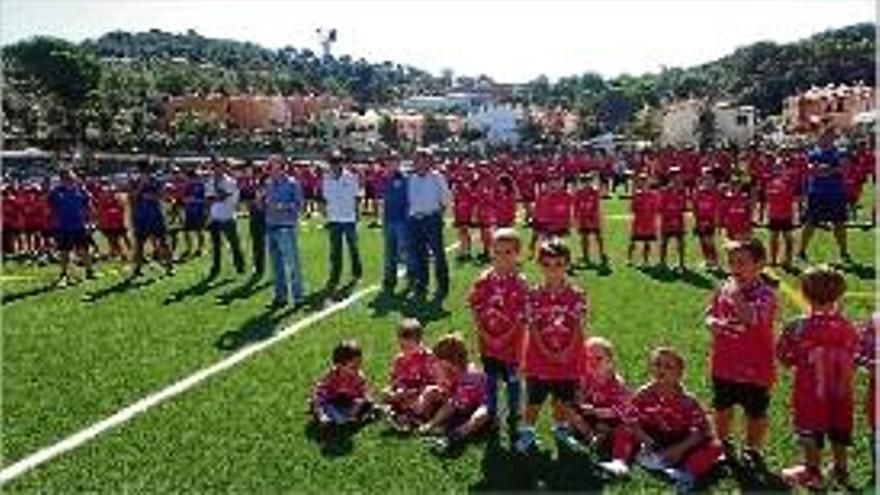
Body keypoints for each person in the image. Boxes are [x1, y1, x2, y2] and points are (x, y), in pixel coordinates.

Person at [777, 265, 860, 490]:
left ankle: (812, 471)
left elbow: (784, 358)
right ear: (839, 295)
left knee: (809, 430)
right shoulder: (847, 326)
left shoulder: (796, 326)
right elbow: (855, 355)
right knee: (839, 428)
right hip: (842, 393)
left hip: (810, 393)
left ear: (804, 293)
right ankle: (841, 468)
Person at [705, 238, 777, 474]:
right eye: (732, 262)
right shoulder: (724, 287)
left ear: (759, 264)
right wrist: (712, 323)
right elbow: (710, 312)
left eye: (742, 262)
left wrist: (736, 295)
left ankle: (752, 448)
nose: (735, 268)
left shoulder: (766, 294)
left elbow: (750, 319)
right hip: (724, 363)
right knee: (722, 406)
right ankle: (723, 442)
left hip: (755, 367)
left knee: (755, 412)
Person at [515, 239, 589, 454]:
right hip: (539, 357)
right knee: (534, 399)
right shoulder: (533, 294)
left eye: (558, 264)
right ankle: (528, 430)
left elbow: (577, 326)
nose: (553, 270)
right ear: (540, 265)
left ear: (567, 264)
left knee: (562, 398)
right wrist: (545, 350)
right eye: (547, 264)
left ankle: (560, 429)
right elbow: (533, 327)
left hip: (569, 356)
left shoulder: (577, 294)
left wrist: (566, 350)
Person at [627, 347, 725, 492]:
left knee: (716, 448)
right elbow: (630, 419)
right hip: (654, 437)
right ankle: (626, 459)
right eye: (657, 364)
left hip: (681, 439)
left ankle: (686, 473)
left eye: (668, 367)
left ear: (679, 373)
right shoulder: (643, 394)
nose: (661, 369)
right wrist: (646, 441)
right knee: (622, 431)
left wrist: (677, 450)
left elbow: (702, 431)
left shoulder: (687, 400)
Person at [468, 228, 529, 437]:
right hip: (487, 345)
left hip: (511, 348)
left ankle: (514, 417)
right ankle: (492, 415)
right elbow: (475, 308)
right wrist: (485, 334)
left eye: (508, 252)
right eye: (497, 251)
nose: (502, 257)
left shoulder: (521, 283)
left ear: (517, 254)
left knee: (513, 383)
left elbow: (522, 317)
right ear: (491, 251)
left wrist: (504, 336)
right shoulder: (483, 279)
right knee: (491, 382)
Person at [569, 337, 636, 477]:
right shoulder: (586, 378)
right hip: (592, 418)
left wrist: (596, 412)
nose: (592, 363)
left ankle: (619, 462)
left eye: (598, 359)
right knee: (569, 410)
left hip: (612, 419)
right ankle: (591, 438)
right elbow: (578, 394)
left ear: (610, 362)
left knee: (625, 429)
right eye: (587, 359)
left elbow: (622, 410)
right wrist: (580, 403)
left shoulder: (617, 384)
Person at [418, 333, 490, 455]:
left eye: (441, 362)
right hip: (465, 399)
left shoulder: (469, 377)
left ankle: (456, 434)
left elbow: (458, 405)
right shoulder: (454, 372)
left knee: (481, 415)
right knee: (437, 393)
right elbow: (451, 393)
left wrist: (438, 419)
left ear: (451, 363)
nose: (438, 365)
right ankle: (425, 420)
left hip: (486, 402)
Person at [798, 129, 851, 264]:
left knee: (839, 224)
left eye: (828, 136)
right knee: (810, 223)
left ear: (833, 138)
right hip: (816, 193)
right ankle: (801, 251)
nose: (825, 138)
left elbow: (844, 168)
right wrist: (832, 170)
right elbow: (811, 170)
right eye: (822, 136)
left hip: (836, 193)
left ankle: (844, 253)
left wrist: (824, 170)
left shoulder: (840, 152)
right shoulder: (813, 153)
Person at [407, 149, 451, 303]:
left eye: (422, 159)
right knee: (419, 255)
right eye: (416, 159)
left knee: (438, 254)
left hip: (431, 218)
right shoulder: (411, 178)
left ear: (428, 161)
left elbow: (446, 198)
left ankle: (442, 286)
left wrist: (438, 214)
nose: (418, 162)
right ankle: (421, 286)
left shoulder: (437, 177)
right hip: (415, 220)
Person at [310, 340, 374, 441]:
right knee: (318, 404)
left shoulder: (359, 376)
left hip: (348, 401)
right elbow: (318, 390)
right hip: (331, 401)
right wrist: (319, 409)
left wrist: (361, 402)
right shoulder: (332, 375)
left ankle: (351, 419)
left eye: (359, 364)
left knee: (366, 403)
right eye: (353, 367)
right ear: (339, 366)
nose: (357, 369)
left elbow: (365, 392)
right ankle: (327, 421)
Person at [380, 318, 435, 432]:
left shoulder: (427, 357)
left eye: (408, 347)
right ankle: (400, 414)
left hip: (420, 391)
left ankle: (404, 416)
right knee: (384, 393)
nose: (404, 350)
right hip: (405, 391)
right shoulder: (400, 359)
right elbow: (395, 379)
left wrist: (414, 391)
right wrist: (397, 390)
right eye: (401, 347)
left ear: (419, 342)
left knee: (423, 401)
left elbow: (432, 381)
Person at [264, 156, 305, 308]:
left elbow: (300, 205)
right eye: (271, 167)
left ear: (283, 167)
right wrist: (261, 203)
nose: (272, 170)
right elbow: (267, 203)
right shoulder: (268, 184)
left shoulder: (292, 183)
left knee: (292, 264)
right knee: (276, 265)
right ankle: (280, 296)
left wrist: (283, 206)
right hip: (270, 225)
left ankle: (298, 296)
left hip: (286, 227)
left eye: (275, 167)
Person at [321, 150, 363, 290]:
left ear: (342, 162)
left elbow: (357, 197)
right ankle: (334, 276)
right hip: (334, 219)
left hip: (349, 218)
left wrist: (357, 214)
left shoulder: (351, 177)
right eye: (332, 161)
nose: (334, 164)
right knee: (335, 251)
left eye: (337, 161)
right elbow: (325, 198)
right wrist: (325, 213)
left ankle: (357, 273)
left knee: (353, 248)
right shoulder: (326, 178)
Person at [48, 168, 94, 283]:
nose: (68, 180)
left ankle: (89, 272)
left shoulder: (81, 191)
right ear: (61, 179)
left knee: (84, 250)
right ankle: (64, 274)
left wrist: (90, 223)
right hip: (63, 226)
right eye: (65, 178)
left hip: (79, 226)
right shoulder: (56, 192)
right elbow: (49, 206)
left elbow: (89, 207)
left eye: (70, 177)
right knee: (64, 251)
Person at [130, 163, 172, 277]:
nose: (145, 174)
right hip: (141, 218)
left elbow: (163, 196)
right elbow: (133, 197)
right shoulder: (135, 182)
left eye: (147, 172)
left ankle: (169, 266)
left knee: (164, 242)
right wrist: (141, 186)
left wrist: (155, 196)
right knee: (139, 245)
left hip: (156, 217)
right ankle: (137, 269)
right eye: (143, 172)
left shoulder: (156, 181)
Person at [206, 159, 245, 277]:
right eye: (215, 168)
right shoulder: (210, 182)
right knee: (216, 246)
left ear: (223, 169)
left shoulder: (231, 182)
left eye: (219, 167)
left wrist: (218, 196)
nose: (217, 170)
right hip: (215, 217)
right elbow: (209, 199)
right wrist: (219, 197)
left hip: (228, 217)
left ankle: (239, 265)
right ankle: (216, 267)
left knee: (234, 244)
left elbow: (228, 198)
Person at [380, 154, 411, 294]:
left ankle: (411, 277)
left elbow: (410, 200)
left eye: (393, 161)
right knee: (389, 253)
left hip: (402, 221)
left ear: (398, 163)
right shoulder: (385, 178)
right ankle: (389, 278)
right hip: (389, 220)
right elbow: (385, 201)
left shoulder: (405, 178)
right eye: (388, 161)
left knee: (404, 252)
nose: (390, 164)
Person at [572, 174, 606, 267]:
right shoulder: (579, 193)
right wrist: (576, 219)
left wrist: (595, 217)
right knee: (584, 238)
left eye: (588, 181)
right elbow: (576, 206)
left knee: (598, 237)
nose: (586, 183)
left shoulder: (594, 192)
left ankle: (602, 253)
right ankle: (586, 256)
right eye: (584, 181)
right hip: (583, 219)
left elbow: (596, 206)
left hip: (593, 219)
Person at [765, 172, 797, 267]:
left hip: (786, 215)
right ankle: (773, 260)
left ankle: (788, 261)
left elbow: (790, 197)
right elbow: (769, 197)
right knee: (774, 239)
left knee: (787, 239)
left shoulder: (790, 183)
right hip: (774, 215)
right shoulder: (771, 183)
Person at [241, 163, 267, 277]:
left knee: (264, 244)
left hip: (265, 217)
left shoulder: (265, 184)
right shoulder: (252, 185)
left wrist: (255, 202)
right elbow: (247, 199)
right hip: (254, 217)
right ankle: (258, 266)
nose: (253, 175)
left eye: (255, 173)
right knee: (257, 244)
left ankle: (261, 266)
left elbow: (261, 201)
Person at [627, 174, 658, 266]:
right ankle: (629, 259)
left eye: (645, 180)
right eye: (642, 180)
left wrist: (652, 220)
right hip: (638, 222)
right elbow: (633, 209)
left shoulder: (653, 195)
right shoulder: (637, 195)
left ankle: (645, 261)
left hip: (649, 222)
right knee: (633, 242)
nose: (644, 182)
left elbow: (655, 209)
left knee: (647, 243)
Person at [658, 172, 687, 270]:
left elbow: (683, 207)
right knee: (664, 243)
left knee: (681, 243)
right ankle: (662, 262)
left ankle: (681, 263)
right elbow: (661, 207)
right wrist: (670, 218)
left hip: (679, 221)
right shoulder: (664, 191)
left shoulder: (682, 191)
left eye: (679, 178)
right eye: (675, 178)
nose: (677, 181)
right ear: (671, 179)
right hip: (667, 221)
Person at [692, 172, 720, 270]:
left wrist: (714, 222)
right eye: (706, 179)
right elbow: (695, 207)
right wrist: (697, 220)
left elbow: (716, 208)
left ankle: (715, 262)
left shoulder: (714, 193)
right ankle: (707, 261)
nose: (708, 182)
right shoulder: (698, 192)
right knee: (702, 242)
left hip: (709, 220)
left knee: (710, 242)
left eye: (710, 179)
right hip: (700, 220)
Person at [181, 167, 207, 258]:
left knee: (200, 231)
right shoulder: (187, 186)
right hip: (189, 212)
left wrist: (194, 200)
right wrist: (185, 200)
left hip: (199, 211)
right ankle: (189, 248)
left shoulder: (202, 186)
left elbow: (206, 200)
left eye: (190, 178)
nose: (188, 180)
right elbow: (183, 198)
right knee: (186, 232)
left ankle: (200, 249)